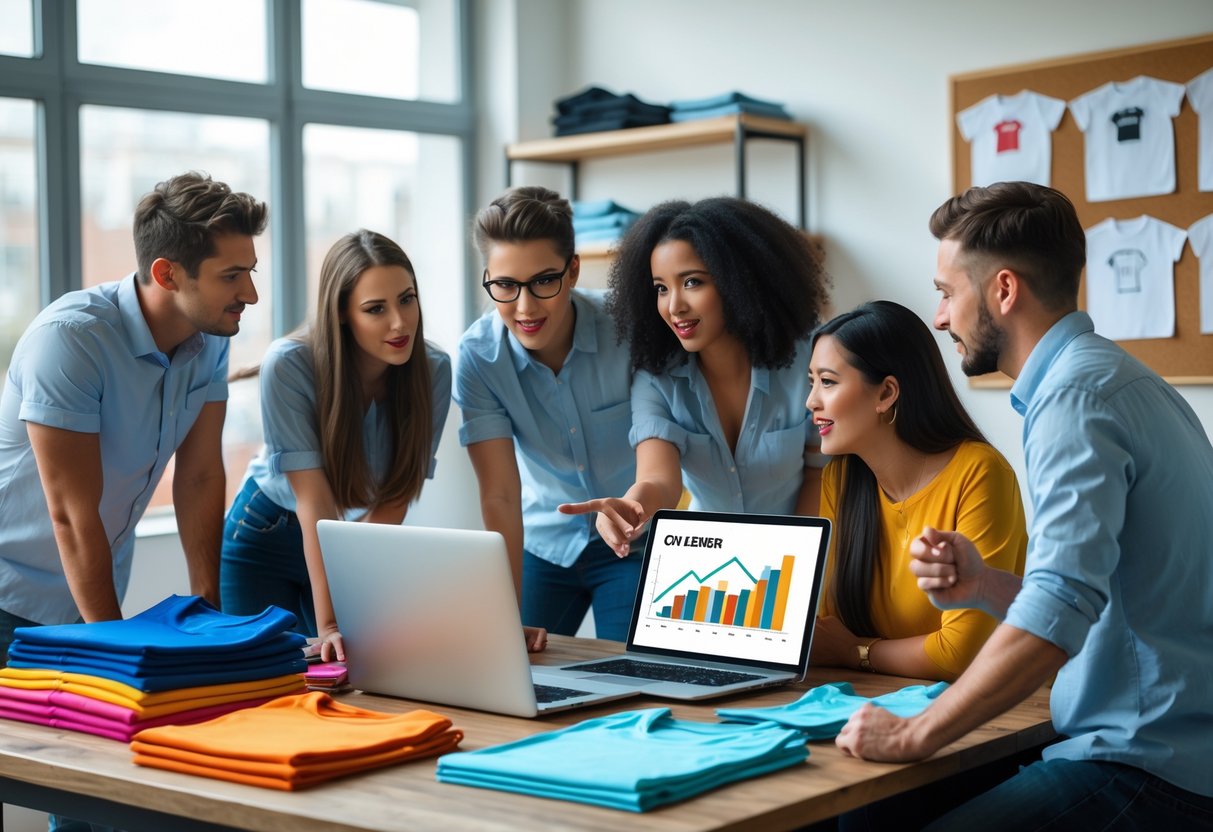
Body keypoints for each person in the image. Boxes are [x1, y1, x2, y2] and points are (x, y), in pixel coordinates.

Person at [835, 182, 1213, 830]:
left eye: (945, 293)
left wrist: (913, 734)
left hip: (1142, 765)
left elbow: (1061, 607)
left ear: (1002, 291)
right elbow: (1105, 600)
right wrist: (983, 584)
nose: (939, 317)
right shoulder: (1115, 380)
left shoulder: (1075, 399)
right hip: (1157, 748)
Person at [0, 171, 265, 663]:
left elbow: (201, 475)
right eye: (230, 276)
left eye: (251, 271)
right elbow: (72, 515)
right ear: (167, 274)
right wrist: (113, 653)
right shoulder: (70, 341)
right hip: (8, 595)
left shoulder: (211, 340)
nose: (249, 294)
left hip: (88, 593)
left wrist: (207, 614)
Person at [219, 230, 514, 663]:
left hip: (346, 535)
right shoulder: (289, 364)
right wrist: (332, 624)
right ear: (341, 313)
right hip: (266, 537)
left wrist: (354, 592)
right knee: (265, 686)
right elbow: (313, 501)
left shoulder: (433, 369)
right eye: (376, 309)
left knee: (353, 675)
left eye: (407, 299)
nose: (399, 322)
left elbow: (396, 494)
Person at [561, 197, 829, 553]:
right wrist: (633, 505)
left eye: (692, 282)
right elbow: (659, 480)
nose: (674, 307)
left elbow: (819, 473)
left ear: (740, 280)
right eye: (661, 288)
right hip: (708, 564)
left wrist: (793, 557)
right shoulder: (656, 380)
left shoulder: (808, 360)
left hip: (803, 550)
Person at [806, 300, 1026, 682]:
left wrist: (853, 651)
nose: (812, 401)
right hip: (879, 699)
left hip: (998, 714)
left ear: (886, 393)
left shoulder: (979, 473)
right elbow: (830, 626)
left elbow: (959, 653)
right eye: (812, 382)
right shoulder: (840, 481)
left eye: (827, 382)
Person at [454, 187, 639, 640]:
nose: (524, 307)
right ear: (489, 278)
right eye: (505, 286)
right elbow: (499, 493)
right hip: (542, 544)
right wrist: (506, 615)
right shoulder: (478, 357)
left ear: (572, 270)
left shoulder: (628, 328)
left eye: (542, 281)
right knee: (513, 666)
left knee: (636, 675)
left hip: (634, 542)